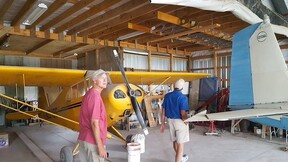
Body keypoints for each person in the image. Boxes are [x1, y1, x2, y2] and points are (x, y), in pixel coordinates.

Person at [78, 69, 108, 162]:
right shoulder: (95, 96)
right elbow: (95, 123)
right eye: (102, 78)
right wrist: (100, 147)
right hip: (92, 142)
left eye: (106, 78)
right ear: (94, 80)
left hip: (84, 139)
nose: (105, 80)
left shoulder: (90, 93)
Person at [160, 78, 189, 162]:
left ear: (174, 87)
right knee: (180, 145)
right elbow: (183, 113)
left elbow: (163, 111)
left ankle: (180, 158)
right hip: (180, 122)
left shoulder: (167, 96)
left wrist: (162, 124)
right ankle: (179, 159)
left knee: (175, 141)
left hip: (170, 121)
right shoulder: (183, 98)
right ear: (182, 88)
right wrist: (187, 121)